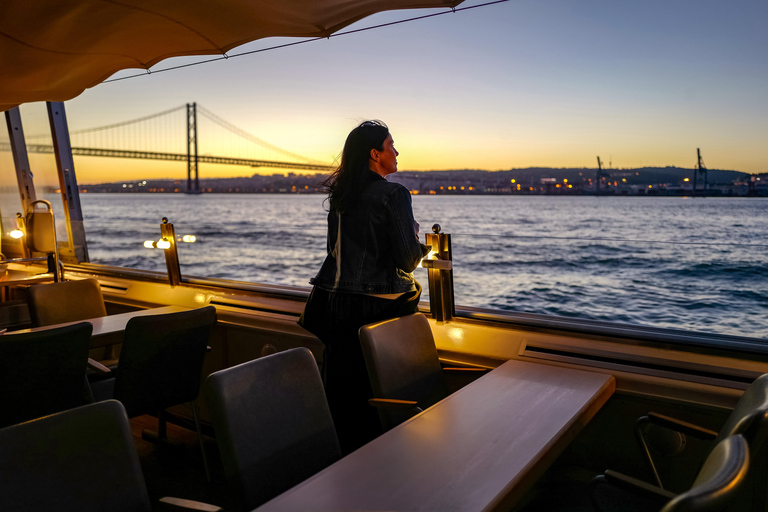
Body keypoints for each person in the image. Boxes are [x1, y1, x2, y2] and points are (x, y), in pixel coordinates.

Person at [299, 120, 429, 454]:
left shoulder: (341, 195)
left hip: (335, 306)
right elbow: (407, 261)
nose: (397, 151)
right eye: (391, 145)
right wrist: (417, 239)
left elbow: (334, 251)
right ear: (375, 154)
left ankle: (345, 468)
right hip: (378, 308)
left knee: (344, 395)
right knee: (378, 392)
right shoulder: (394, 194)